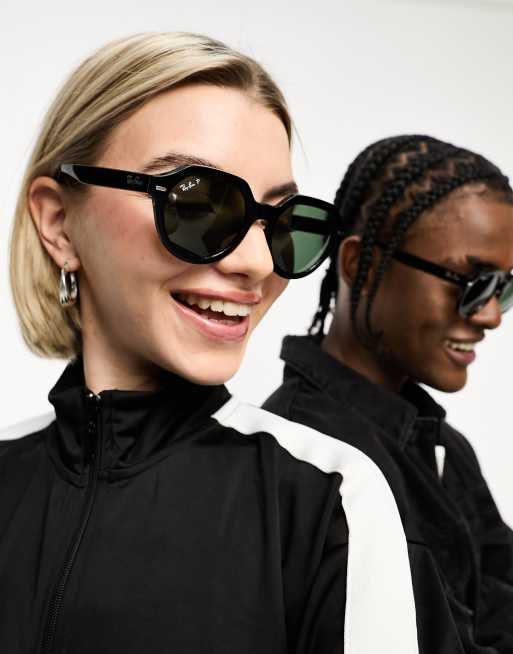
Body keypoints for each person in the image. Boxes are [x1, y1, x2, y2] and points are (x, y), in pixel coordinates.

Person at [0, 34, 419, 654]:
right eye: (196, 204)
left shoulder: (329, 499)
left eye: (282, 223)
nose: (255, 263)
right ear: (60, 223)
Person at [264, 134, 513, 653]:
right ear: (358, 263)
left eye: (504, 287)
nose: (491, 316)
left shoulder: (447, 450)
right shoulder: (305, 462)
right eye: (471, 282)